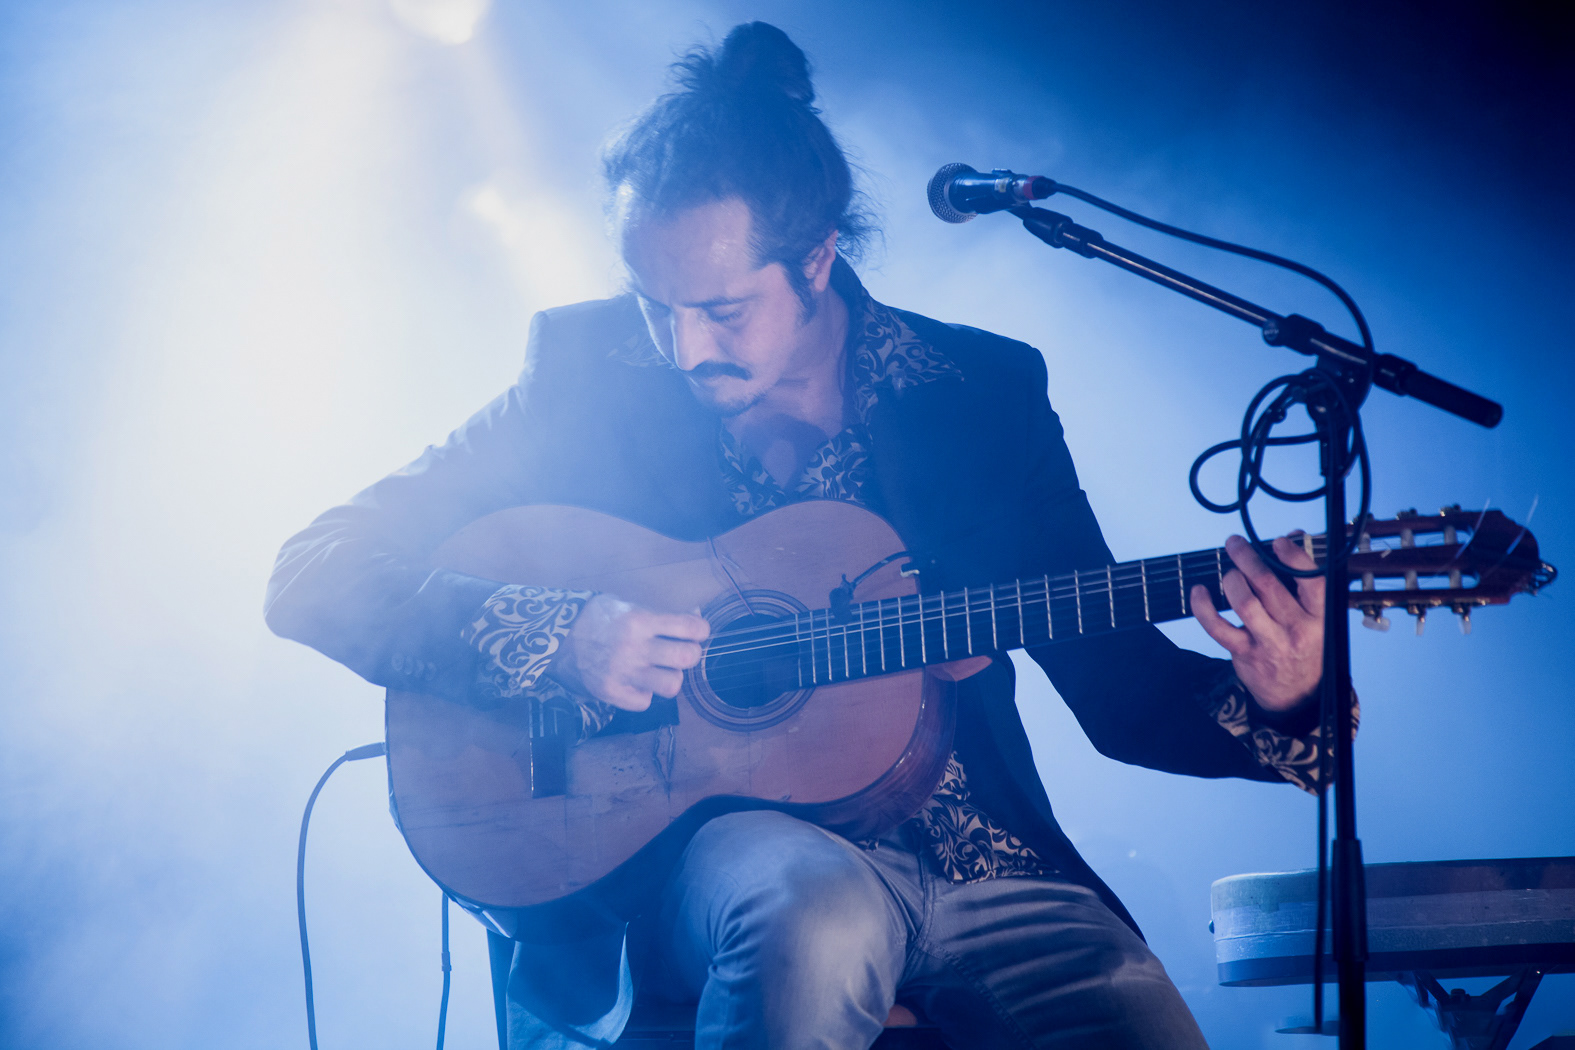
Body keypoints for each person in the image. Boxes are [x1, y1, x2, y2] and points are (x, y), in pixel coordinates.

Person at [266, 22, 1335, 1050]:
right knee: (811, 915)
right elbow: (315, 568)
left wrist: (1284, 694)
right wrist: (557, 631)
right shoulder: (584, 379)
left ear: (817, 259)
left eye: (722, 311)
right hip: (723, 860)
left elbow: (1126, 700)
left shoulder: (980, 395)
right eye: (654, 305)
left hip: (989, 867)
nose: (683, 348)